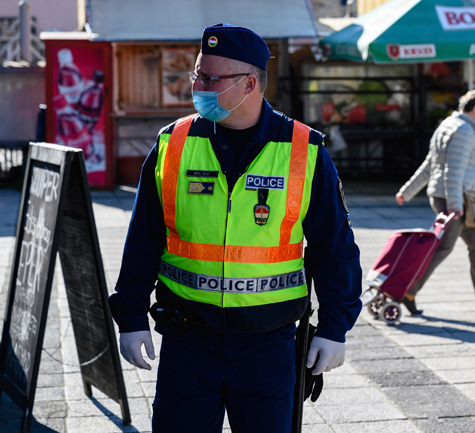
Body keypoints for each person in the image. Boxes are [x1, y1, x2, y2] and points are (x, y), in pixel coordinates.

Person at [108, 23, 362, 433]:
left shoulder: (305, 150)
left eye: (211, 78)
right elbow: (145, 237)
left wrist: (335, 328)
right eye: (197, 75)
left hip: (269, 345)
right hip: (187, 338)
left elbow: (334, 248)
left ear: (249, 84)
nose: (199, 86)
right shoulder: (173, 143)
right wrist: (131, 315)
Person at [395, 89, 475, 315]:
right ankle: (408, 292)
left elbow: (430, 164)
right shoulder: (464, 131)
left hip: (455, 197)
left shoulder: (446, 125)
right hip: (456, 199)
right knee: (442, 248)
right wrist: (455, 206)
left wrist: (406, 191)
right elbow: (452, 172)